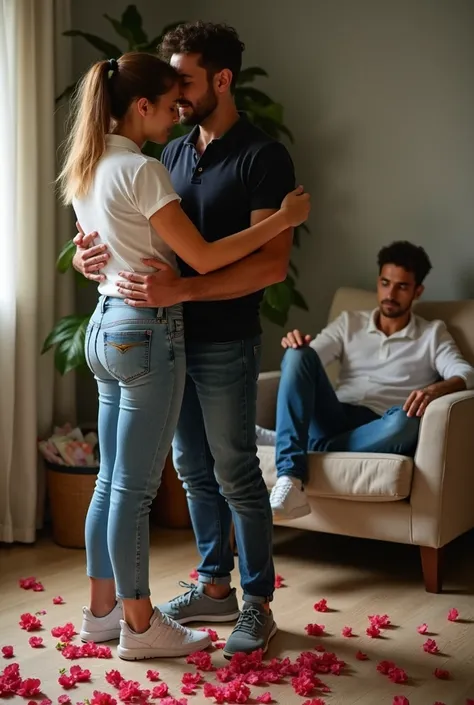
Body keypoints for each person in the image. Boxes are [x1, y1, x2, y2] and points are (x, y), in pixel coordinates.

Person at [62, 51, 309, 661]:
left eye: (187, 84)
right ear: (142, 105)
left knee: (219, 474)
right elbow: (176, 251)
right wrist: (283, 218)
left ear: (220, 79)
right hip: (152, 335)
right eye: (169, 92)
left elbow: (269, 265)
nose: (178, 101)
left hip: (171, 332)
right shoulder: (156, 159)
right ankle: (175, 607)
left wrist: (165, 282)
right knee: (158, 483)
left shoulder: (259, 155)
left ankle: (245, 603)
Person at [264, 241, 474, 521]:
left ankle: (291, 441)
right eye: (386, 283)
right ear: (378, 282)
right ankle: (290, 478)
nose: (390, 293)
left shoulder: (432, 334)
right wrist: (298, 347)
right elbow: (309, 360)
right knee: (296, 355)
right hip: (336, 415)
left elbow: (466, 374)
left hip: (381, 426)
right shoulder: (349, 322)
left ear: (417, 291)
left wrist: (435, 389)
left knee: (408, 422)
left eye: (401, 286)